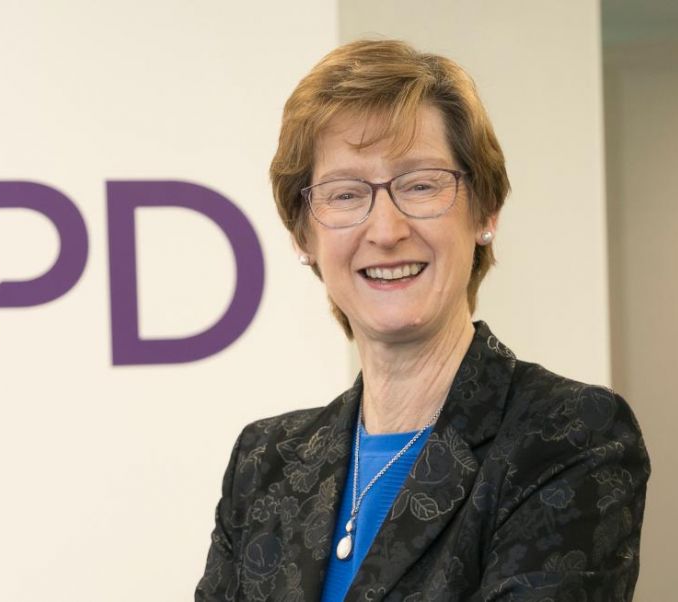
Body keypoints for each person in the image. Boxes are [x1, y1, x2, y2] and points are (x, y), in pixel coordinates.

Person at [195, 40, 649, 601]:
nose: (385, 230)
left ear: (485, 210)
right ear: (302, 237)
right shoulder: (264, 462)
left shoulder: (571, 436)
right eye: (345, 193)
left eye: (420, 184)